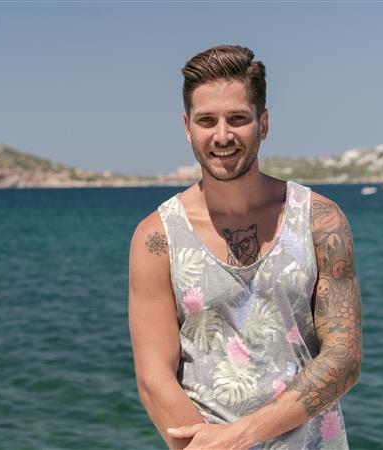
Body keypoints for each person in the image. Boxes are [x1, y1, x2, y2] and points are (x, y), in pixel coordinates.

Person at [128, 45, 362, 450]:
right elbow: (154, 380)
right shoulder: (157, 238)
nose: (222, 135)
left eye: (238, 118)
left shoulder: (319, 221)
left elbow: (344, 359)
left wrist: (239, 437)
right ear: (187, 127)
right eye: (206, 121)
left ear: (263, 123)